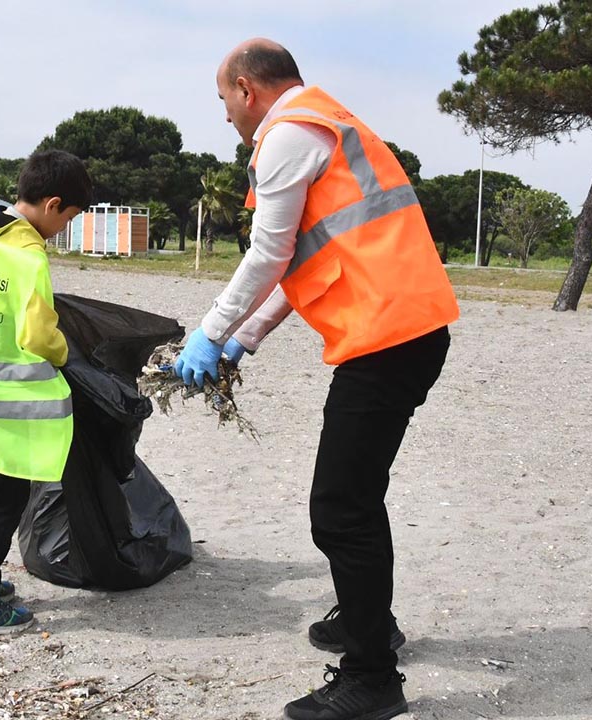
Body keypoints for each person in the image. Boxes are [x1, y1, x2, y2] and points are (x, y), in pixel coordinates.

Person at [174, 39, 459, 720]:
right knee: (357, 497)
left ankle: (371, 678)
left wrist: (211, 330)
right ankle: (370, 623)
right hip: (408, 330)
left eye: (223, 101)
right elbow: (305, 260)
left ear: (247, 88)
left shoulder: (287, 136)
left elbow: (269, 253)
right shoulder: (329, 125)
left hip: (387, 339)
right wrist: (242, 338)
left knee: (340, 508)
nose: (225, 117)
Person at [0, 149, 91, 637]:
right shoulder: (29, 257)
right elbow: (38, 335)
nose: (65, 228)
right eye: (68, 217)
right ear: (52, 204)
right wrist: (70, 354)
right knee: (9, 494)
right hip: (4, 394)